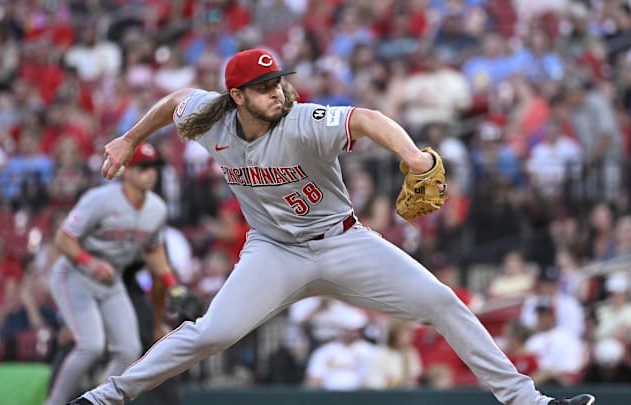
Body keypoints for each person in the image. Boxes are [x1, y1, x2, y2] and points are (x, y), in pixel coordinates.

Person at [71, 48, 594, 405]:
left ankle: (529, 401)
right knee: (214, 332)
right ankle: (106, 396)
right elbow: (172, 101)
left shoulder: (301, 120)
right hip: (272, 252)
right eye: (264, 87)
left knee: (442, 302)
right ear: (237, 97)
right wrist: (128, 138)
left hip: (342, 242)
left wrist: (412, 156)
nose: (278, 92)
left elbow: (365, 118)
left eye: (279, 81)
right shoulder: (210, 118)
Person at [46, 143, 183, 405]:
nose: (150, 173)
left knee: (129, 349)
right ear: (128, 171)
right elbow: (62, 239)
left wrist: (172, 285)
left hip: (112, 279)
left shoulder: (157, 209)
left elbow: (154, 251)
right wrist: (89, 262)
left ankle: (96, 401)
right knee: (91, 346)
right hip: (76, 274)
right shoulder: (100, 199)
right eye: (143, 168)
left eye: (153, 168)